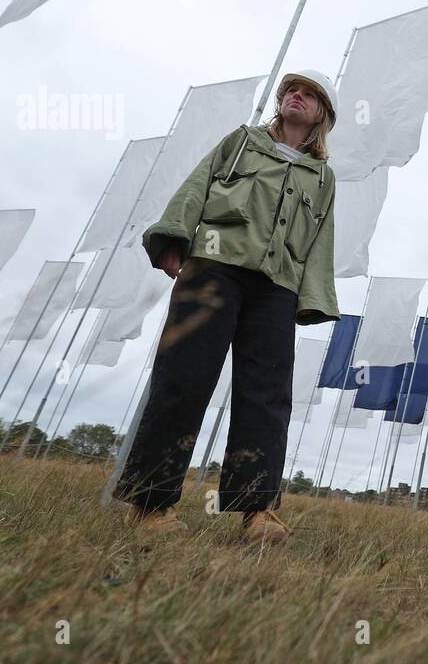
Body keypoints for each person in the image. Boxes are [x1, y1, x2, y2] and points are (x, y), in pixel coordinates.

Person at [113, 70, 341, 543]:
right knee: (185, 376)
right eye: (291, 91)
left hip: (277, 284)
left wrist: (313, 298)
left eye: (309, 95)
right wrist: (175, 235)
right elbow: (198, 185)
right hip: (214, 266)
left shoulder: (322, 176)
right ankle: (151, 504)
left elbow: (321, 239)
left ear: (323, 114)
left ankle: (257, 512)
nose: (297, 96)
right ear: (280, 103)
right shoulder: (241, 142)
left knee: (268, 395)